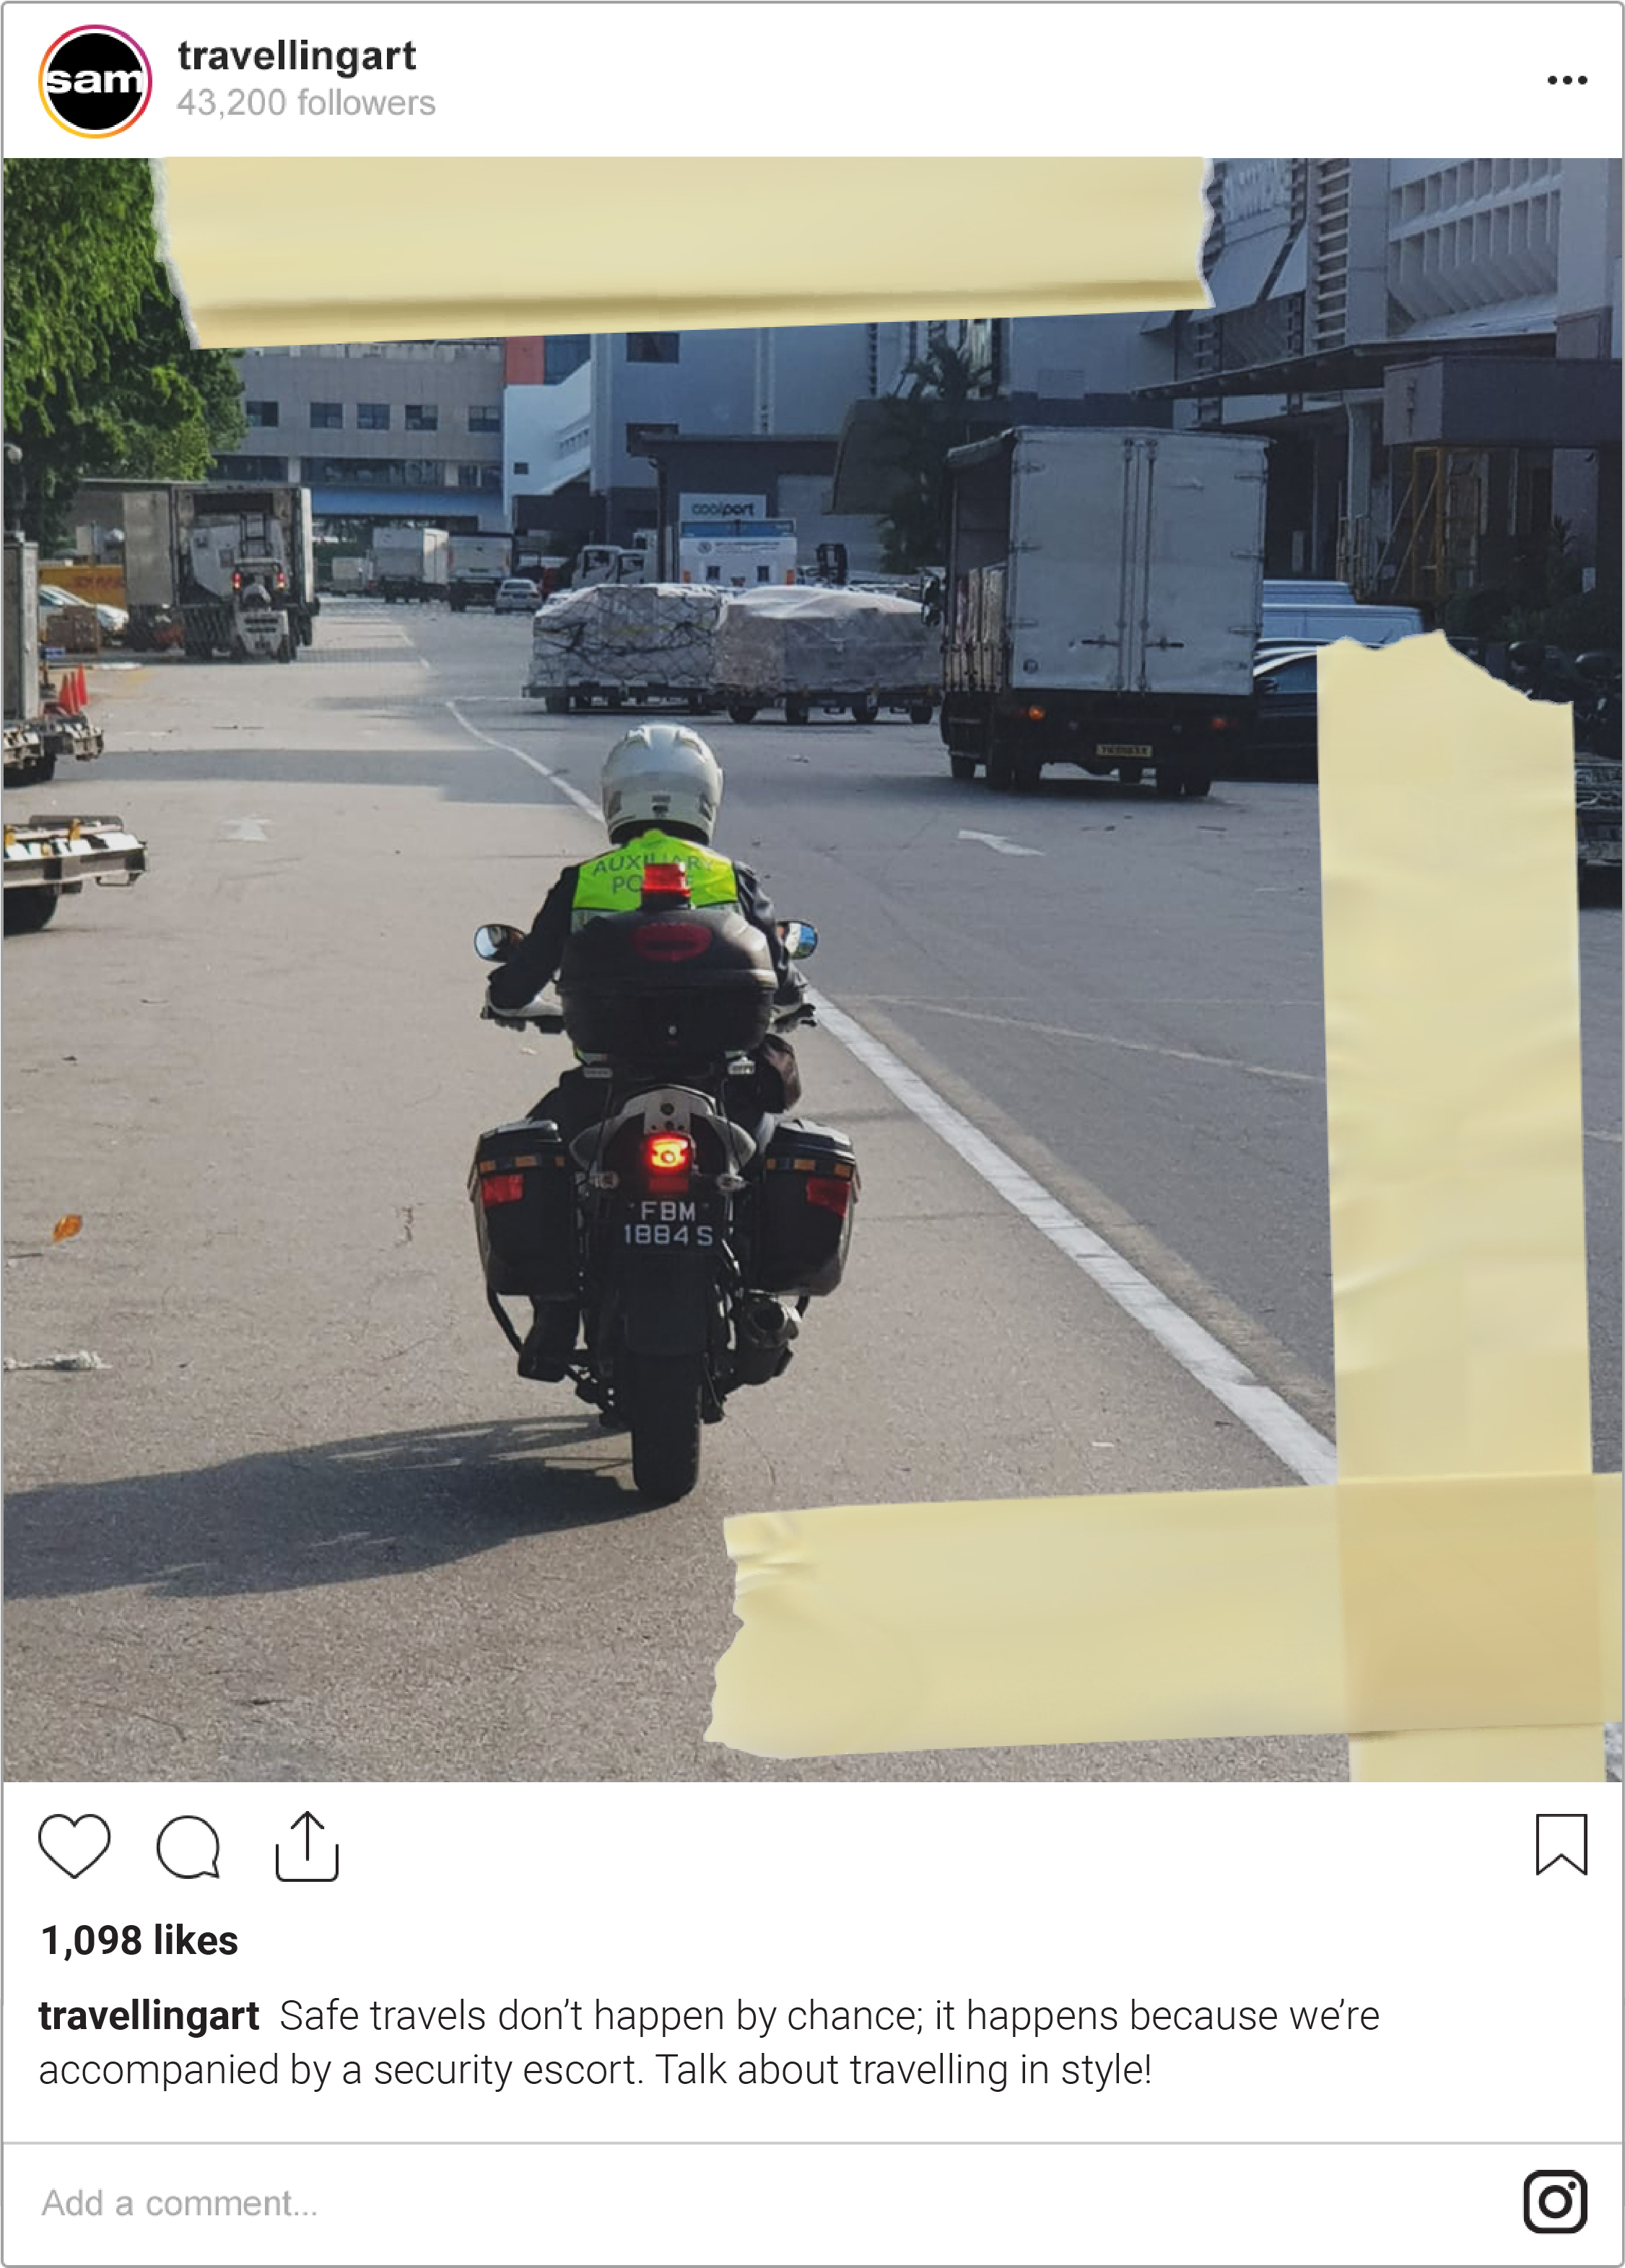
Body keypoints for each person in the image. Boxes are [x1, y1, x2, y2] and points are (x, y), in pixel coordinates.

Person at [485, 723, 810, 1379]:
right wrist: (792, 1000)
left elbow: (519, 981)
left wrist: (504, 992)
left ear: (614, 798)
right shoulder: (731, 877)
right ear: (705, 798)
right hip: (723, 1087)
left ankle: (554, 1310)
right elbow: (783, 977)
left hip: (605, 1085)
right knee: (776, 1164)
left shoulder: (585, 879)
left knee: (541, 1158)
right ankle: (762, 1306)